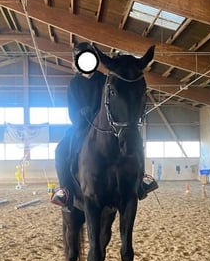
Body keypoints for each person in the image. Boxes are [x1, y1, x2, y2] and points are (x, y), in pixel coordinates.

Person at [50, 43, 158, 210]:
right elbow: (72, 111)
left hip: (106, 124)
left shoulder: (104, 79)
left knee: (134, 141)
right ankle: (66, 191)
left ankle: (141, 181)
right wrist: (81, 114)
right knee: (61, 149)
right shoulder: (74, 84)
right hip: (81, 126)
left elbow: (113, 100)